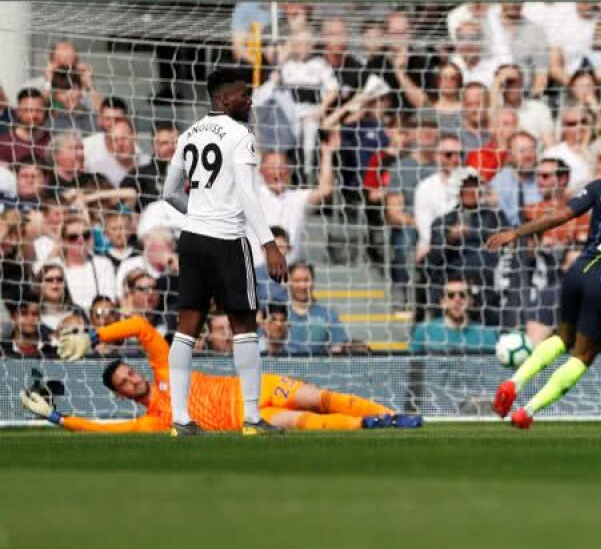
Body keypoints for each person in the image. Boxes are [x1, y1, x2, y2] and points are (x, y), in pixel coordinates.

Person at [488, 143, 601, 429]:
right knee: (583, 355)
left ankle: (513, 382)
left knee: (562, 337)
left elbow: (559, 215)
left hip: (577, 272)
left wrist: (517, 232)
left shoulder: (599, 187)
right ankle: (527, 411)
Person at [159, 68, 288, 437]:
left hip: (193, 238)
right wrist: (268, 243)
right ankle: (251, 419)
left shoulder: (188, 134)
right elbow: (247, 194)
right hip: (228, 239)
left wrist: (199, 212)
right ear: (223, 98)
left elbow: (169, 192)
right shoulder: (240, 135)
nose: (249, 100)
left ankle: (180, 420)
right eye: (243, 95)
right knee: (244, 324)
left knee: (187, 326)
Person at [33, 316, 420, 432]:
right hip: (246, 418)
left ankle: (391, 414)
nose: (133, 381)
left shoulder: (167, 368)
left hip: (253, 387)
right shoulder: (155, 420)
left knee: (320, 398)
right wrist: (57, 417)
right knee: (303, 422)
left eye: (130, 374)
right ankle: (373, 425)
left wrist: (95, 335)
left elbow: (139, 326)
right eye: (124, 384)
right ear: (121, 395)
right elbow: (102, 430)